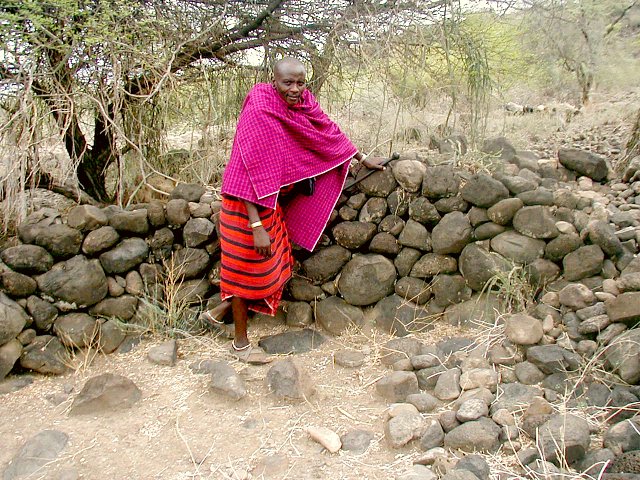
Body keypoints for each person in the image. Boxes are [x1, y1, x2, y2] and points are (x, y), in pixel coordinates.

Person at [200, 57, 384, 363]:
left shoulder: (303, 103)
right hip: (244, 205)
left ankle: (219, 311)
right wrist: (256, 226)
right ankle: (241, 345)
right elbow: (248, 170)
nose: (295, 89)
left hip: (269, 202)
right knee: (245, 272)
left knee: (280, 259)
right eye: (288, 83)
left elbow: (327, 132)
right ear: (274, 81)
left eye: (301, 82)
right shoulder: (260, 108)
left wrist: (361, 158)